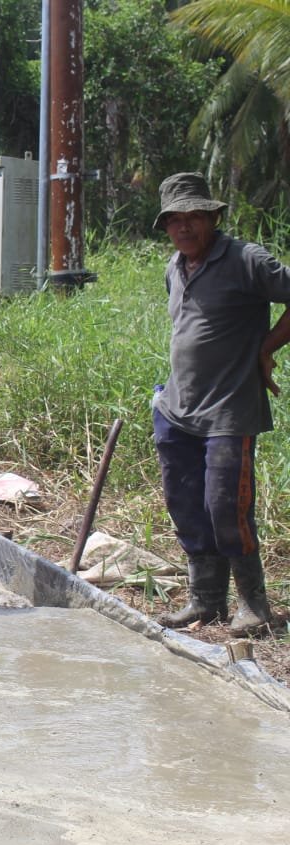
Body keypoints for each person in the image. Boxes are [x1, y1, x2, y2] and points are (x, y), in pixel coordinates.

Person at [151, 172, 290, 637]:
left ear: (213, 217)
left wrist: (267, 346)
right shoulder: (175, 266)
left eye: (194, 218)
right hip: (176, 409)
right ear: (166, 225)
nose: (185, 228)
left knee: (226, 507)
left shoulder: (246, 260)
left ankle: (254, 605)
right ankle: (205, 601)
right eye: (175, 220)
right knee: (185, 504)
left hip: (229, 411)